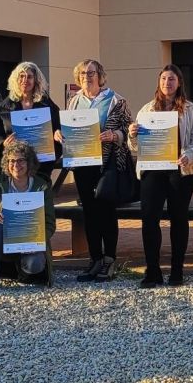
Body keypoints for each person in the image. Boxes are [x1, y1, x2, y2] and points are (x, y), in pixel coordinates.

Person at [127, 65, 193, 288]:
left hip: (181, 171)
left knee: (179, 219)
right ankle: (152, 271)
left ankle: (177, 271)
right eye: (163, 79)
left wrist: (189, 155)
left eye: (171, 79)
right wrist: (132, 135)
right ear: (158, 82)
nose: (167, 83)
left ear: (179, 82)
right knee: (149, 220)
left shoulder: (190, 110)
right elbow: (135, 148)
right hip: (152, 170)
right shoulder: (147, 110)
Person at [65, 59, 132, 283]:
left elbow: (129, 129)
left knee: (106, 210)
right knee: (89, 212)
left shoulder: (116, 100)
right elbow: (69, 128)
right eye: (83, 73)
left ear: (100, 75)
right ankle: (95, 259)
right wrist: (60, 134)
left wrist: (115, 135)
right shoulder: (74, 101)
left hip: (107, 163)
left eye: (91, 72)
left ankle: (109, 259)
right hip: (83, 164)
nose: (87, 76)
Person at [0, 141, 56, 294]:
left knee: (35, 264)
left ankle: (23, 273)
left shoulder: (42, 187)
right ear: (6, 163)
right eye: (11, 160)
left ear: (29, 163)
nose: (16, 165)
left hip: (30, 244)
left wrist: (36, 240)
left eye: (21, 160)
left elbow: (50, 223)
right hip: (3, 242)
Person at [0, 62, 61, 180]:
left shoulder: (46, 103)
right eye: (21, 76)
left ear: (36, 80)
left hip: (42, 165)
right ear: (16, 79)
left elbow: (58, 126)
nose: (25, 80)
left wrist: (57, 132)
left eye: (29, 77)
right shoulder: (5, 106)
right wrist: (3, 144)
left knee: (41, 191)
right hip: (15, 166)